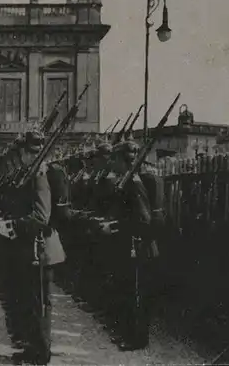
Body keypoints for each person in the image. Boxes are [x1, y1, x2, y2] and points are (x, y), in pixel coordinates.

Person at [0, 130, 66, 365]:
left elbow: (41, 216)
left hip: (39, 249)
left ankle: (40, 355)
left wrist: (11, 224)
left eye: (22, 152)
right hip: (27, 249)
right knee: (28, 302)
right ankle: (32, 349)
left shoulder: (39, 175)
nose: (20, 157)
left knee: (39, 305)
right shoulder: (28, 174)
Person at [100, 140, 165, 351]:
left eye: (115, 159)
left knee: (135, 293)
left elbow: (142, 220)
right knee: (128, 290)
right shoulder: (129, 179)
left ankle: (137, 339)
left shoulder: (134, 183)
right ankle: (129, 334)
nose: (113, 164)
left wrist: (115, 226)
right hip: (132, 244)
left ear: (122, 160)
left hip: (138, 246)